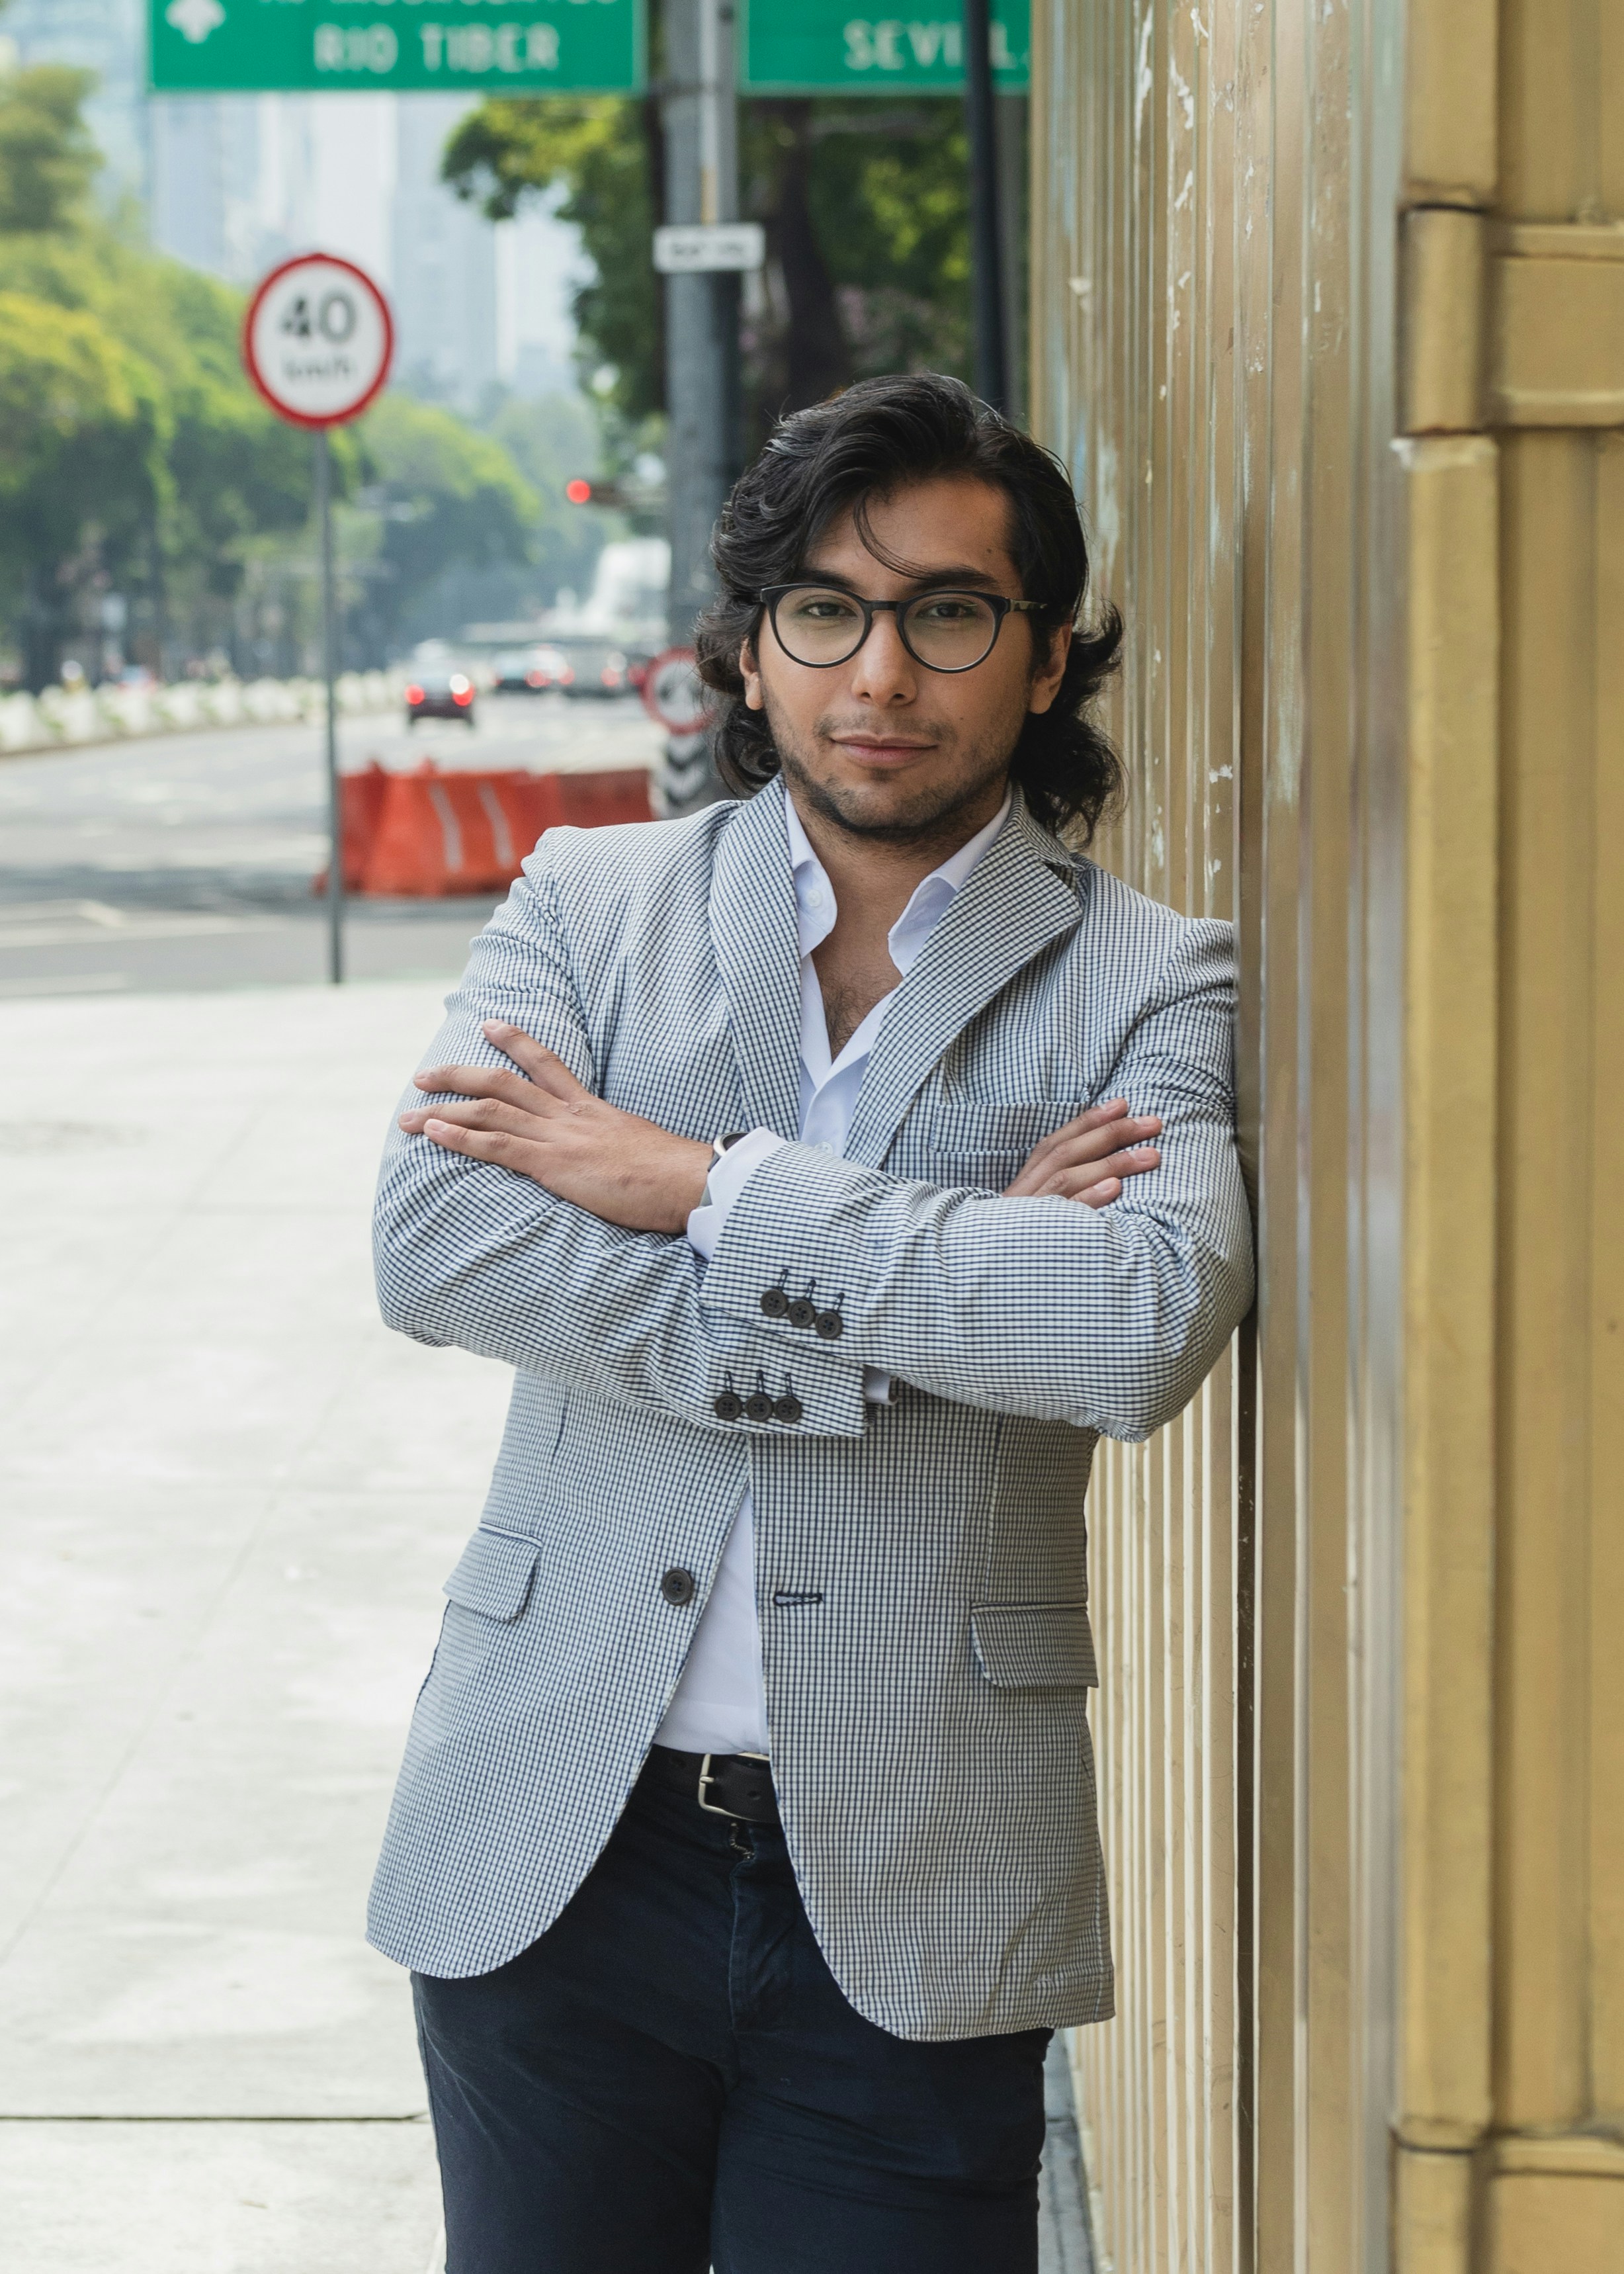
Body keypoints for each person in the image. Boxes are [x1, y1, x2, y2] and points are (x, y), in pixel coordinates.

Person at [368, 372, 1253, 2273]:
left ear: (1041, 661)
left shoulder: (1149, 979)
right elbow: (438, 1238)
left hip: (920, 1864)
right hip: (560, 1845)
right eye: (828, 614)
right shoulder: (588, 904)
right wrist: (944, 1284)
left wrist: (693, 1187)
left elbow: (1136, 1322)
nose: (884, 671)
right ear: (750, 657)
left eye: (949, 613)